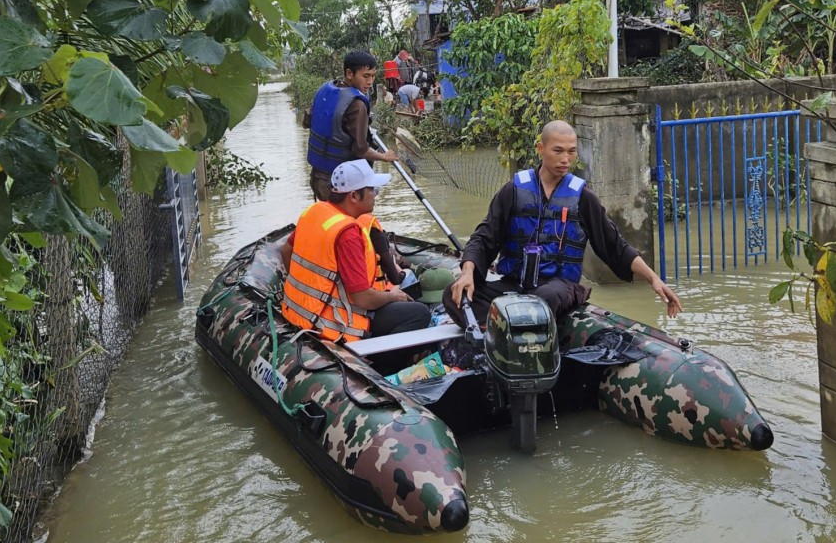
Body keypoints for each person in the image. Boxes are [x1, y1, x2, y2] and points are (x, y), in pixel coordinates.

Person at [443, 120, 681, 328]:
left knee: (544, 298)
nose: (565, 159)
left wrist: (654, 279)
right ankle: (494, 333)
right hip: (515, 285)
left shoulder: (583, 197)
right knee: (451, 295)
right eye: (558, 151)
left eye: (571, 152)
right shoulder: (513, 191)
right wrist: (468, 273)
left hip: (558, 287)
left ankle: (513, 328)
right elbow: (485, 237)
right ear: (541, 149)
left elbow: (615, 245)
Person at [281, 160, 430, 373]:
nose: (375, 195)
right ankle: (382, 371)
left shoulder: (314, 212)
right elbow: (363, 298)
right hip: (330, 324)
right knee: (419, 313)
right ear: (353, 196)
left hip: (300, 312)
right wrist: (393, 295)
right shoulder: (348, 234)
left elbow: (286, 252)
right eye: (372, 189)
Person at [305, 50, 398, 202]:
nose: (370, 82)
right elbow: (360, 149)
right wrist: (384, 157)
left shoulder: (325, 89)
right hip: (339, 185)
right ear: (349, 74)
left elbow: (307, 122)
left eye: (373, 76)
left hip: (317, 177)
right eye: (365, 76)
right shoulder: (357, 104)